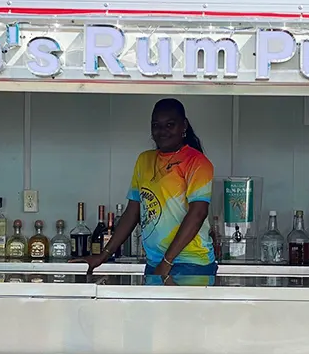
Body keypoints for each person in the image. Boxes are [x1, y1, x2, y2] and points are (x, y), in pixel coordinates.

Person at [74, 98, 217, 282]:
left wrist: (167, 261)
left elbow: (198, 213)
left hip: (192, 264)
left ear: (184, 126)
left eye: (170, 125)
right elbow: (132, 213)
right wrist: (103, 255)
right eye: (156, 125)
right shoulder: (144, 160)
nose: (162, 131)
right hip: (156, 263)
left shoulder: (197, 162)